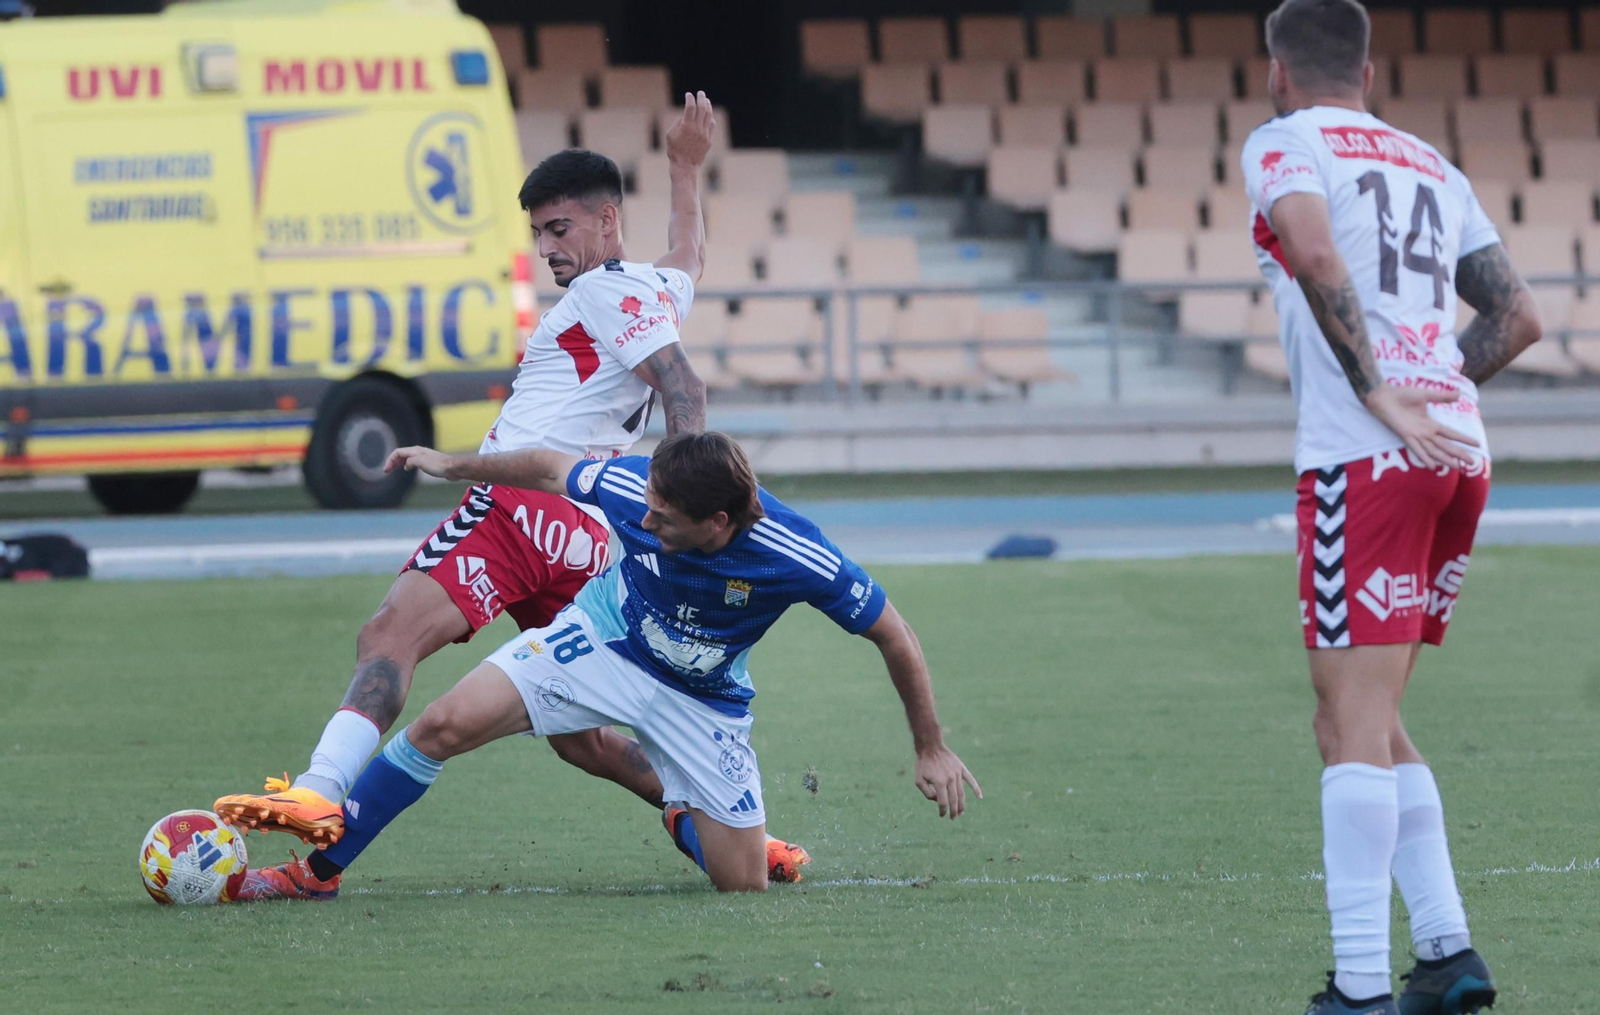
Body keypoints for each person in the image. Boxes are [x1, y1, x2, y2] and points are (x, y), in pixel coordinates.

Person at [216, 94, 808, 882]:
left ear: (604, 222)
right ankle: (729, 832)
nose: (546, 249)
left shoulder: (603, 292)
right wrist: (685, 166)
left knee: (391, 633)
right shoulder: (652, 292)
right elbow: (689, 257)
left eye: (558, 229)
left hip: (519, 511)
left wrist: (679, 502)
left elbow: (684, 389)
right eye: (537, 234)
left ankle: (323, 790)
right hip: (587, 535)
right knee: (584, 737)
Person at [231, 431, 980, 899]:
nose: (643, 521)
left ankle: (685, 814)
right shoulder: (630, 488)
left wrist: (930, 744)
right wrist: (450, 461)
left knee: (742, 882)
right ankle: (315, 874)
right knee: (442, 723)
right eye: (646, 506)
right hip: (605, 636)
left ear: (719, 523)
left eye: (663, 519)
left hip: (705, 696)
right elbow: (552, 465)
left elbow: (895, 633)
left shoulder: (797, 554)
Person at [1242, 2, 1542, 1012]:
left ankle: (1359, 988)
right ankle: (1448, 954)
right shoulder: (1431, 164)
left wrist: (1377, 391)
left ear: (1278, 73)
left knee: (1348, 718)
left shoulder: (1282, 143)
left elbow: (1316, 255)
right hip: (1455, 452)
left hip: (1362, 457)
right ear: (1367, 74)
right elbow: (1518, 313)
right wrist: (1431, 387)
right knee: (1365, 720)